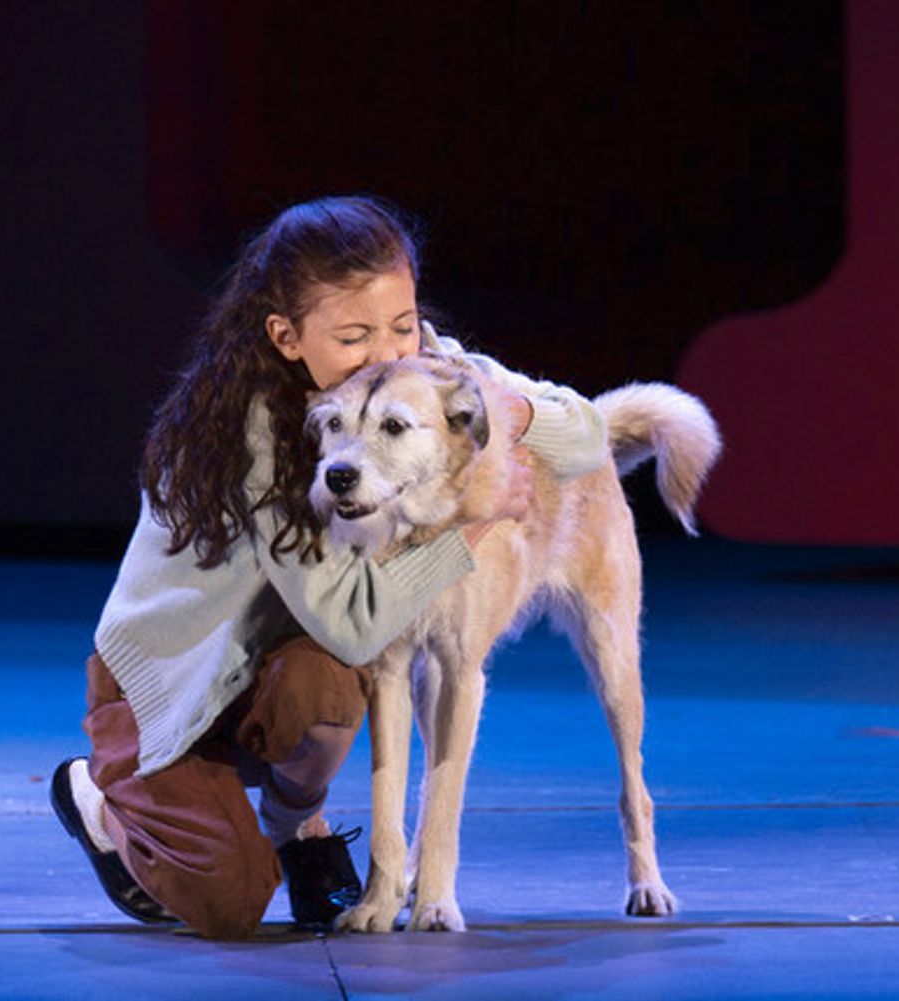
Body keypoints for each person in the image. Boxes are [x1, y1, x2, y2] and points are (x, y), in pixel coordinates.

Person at [50, 195, 609, 939]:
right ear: (286, 335)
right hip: (172, 683)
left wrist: (511, 409)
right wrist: (475, 525)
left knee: (328, 687)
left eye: (402, 323)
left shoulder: (419, 366)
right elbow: (351, 622)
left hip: (273, 661)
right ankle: (99, 799)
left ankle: (295, 825)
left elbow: (588, 435)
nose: (387, 353)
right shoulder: (255, 433)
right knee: (229, 903)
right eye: (354, 336)